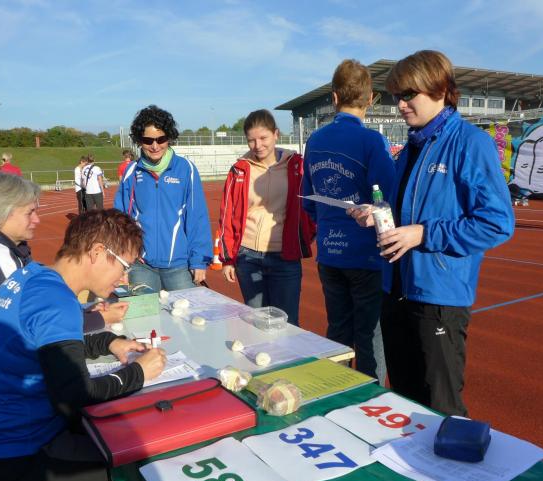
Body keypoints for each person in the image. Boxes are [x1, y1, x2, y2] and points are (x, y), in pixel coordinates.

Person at [0, 209, 166, 481]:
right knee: (143, 478)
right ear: (97, 252)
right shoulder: (57, 301)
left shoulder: (35, 276)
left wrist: (108, 342)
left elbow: (48, 344)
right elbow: (74, 397)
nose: (125, 279)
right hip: (9, 463)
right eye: (124, 267)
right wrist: (138, 372)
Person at [348, 50, 515, 416]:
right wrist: (378, 215)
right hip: (396, 290)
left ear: (439, 90)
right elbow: (406, 212)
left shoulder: (470, 143)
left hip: (438, 297)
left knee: (441, 407)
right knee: (404, 403)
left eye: (409, 94)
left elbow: (497, 222)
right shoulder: (412, 147)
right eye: (396, 96)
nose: (400, 105)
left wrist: (423, 234)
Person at [0, 173, 127, 398]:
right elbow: (41, 320)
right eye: (30, 212)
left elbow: (42, 305)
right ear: (1, 214)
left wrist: (84, 311)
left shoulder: (5, 249)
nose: (37, 219)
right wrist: (101, 319)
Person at [301, 59, 396, 380]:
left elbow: (309, 199)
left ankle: (338, 392)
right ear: (370, 99)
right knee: (370, 336)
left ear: (334, 97)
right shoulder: (373, 141)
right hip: (366, 256)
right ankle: (370, 399)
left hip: (330, 253)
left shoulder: (315, 141)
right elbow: (387, 199)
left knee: (338, 331)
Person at [217, 109, 315, 326]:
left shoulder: (297, 165)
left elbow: (312, 204)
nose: (258, 145)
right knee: (257, 323)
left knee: (287, 324)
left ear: (276, 134)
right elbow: (227, 215)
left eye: (263, 138)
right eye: (251, 140)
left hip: (285, 256)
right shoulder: (239, 170)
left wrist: (306, 236)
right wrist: (227, 259)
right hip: (248, 257)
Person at [114, 105, 212, 291]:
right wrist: (121, 261)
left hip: (179, 265)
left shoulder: (186, 169)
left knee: (186, 310)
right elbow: (120, 219)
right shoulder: (131, 172)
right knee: (145, 310)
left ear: (169, 137)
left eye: (161, 139)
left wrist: (199, 260)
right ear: (139, 140)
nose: (155, 146)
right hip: (141, 265)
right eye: (148, 140)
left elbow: (197, 217)